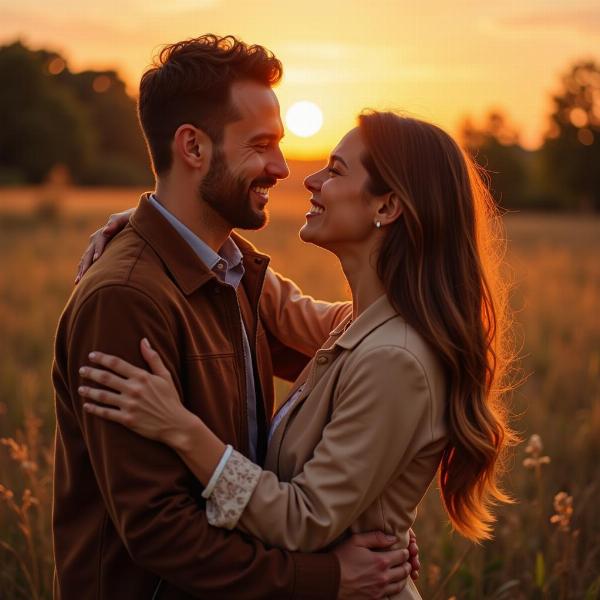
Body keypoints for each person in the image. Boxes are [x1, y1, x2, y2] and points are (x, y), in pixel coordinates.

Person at [77, 110, 516, 600]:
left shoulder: (395, 358)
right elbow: (268, 297)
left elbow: (304, 519)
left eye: (335, 169)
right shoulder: (360, 325)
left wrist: (180, 428)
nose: (309, 179)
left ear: (388, 206)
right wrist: (163, 222)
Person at [53, 35, 418, 600]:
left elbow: (362, 357)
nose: (281, 168)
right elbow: (159, 531)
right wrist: (327, 576)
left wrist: (374, 519)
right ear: (193, 148)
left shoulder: (233, 277)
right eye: (262, 145)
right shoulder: (125, 299)